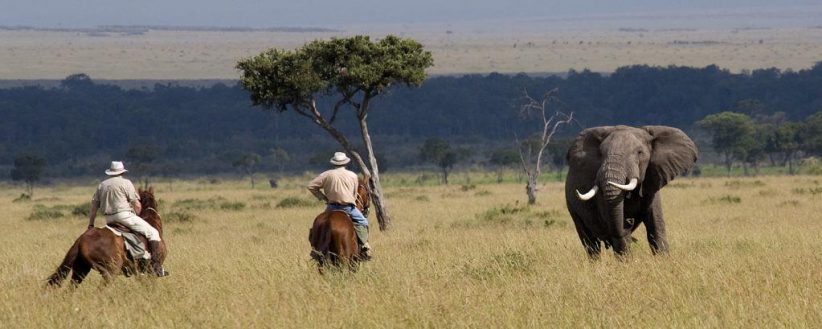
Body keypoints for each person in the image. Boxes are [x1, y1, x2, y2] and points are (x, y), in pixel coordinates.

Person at [87, 161, 169, 277]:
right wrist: (139, 215)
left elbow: (94, 207)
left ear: (110, 172)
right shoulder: (126, 183)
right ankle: (156, 266)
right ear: (122, 172)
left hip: (109, 219)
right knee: (153, 233)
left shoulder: (102, 185)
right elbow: (137, 205)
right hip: (124, 216)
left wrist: (91, 224)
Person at [307, 152, 372, 260]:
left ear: (334, 163)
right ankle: (365, 247)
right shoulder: (353, 176)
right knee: (363, 222)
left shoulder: (327, 174)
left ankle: (315, 249)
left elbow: (311, 186)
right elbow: (354, 193)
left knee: (317, 225)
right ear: (345, 163)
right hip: (348, 208)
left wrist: (323, 197)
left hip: (331, 207)